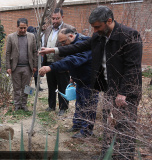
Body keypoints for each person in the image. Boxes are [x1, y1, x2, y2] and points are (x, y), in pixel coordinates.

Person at [39, 6, 142, 160]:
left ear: (109, 21)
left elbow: (132, 68)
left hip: (126, 92)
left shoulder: (129, 36)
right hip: (109, 88)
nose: (94, 31)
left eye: (97, 27)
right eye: (93, 27)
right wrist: (53, 50)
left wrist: (123, 93)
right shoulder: (99, 36)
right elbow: (79, 46)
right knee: (109, 126)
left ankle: (125, 157)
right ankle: (106, 155)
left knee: (125, 128)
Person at [39, 28, 98, 138]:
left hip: (90, 80)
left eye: (63, 42)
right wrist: (73, 77)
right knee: (79, 103)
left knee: (88, 105)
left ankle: (86, 131)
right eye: (60, 43)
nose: (62, 45)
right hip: (80, 79)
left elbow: (73, 60)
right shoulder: (74, 43)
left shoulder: (84, 44)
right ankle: (78, 125)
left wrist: (51, 67)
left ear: (71, 36)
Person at [42, 8, 76, 116]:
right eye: (53, 18)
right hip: (49, 63)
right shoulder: (48, 29)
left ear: (62, 17)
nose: (55, 21)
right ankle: (51, 105)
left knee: (62, 86)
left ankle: (63, 107)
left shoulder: (69, 29)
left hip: (63, 64)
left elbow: (73, 48)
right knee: (51, 86)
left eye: (57, 18)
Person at [6, 18, 37, 111]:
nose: (23, 30)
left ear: (27, 26)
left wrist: (35, 65)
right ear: (17, 27)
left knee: (26, 87)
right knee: (16, 88)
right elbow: (8, 53)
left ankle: (24, 104)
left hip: (28, 67)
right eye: (21, 28)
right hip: (15, 67)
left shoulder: (32, 36)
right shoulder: (11, 37)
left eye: (24, 28)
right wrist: (8, 67)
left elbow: (35, 52)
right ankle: (16, 105)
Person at [26, 26, 43, 91]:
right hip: (36, 56)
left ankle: (29, 89)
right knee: (35, 73)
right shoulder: (37, 36)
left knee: (30, 74)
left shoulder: (29, 36)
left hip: (34, 56)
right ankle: (37, 87)